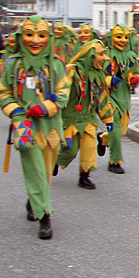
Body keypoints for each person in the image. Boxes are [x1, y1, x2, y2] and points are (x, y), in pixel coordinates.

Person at [0, 17, 70, 239]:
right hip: (25, 126)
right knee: (35, 169)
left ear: (48, 38)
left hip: (51, 128)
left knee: (45, 171)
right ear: (21, 37)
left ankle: (34, 199)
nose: (35, 40)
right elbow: (3, 94)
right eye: (29, 34)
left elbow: (64, 93)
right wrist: (18, 113)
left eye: (41, 35)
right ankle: (44, 215)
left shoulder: (56, 64)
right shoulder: (13, 64)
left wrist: (46, 107)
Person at [55, 39, 114, 190]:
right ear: (90, 55)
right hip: (71, 118)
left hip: (89, 119)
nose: (104, 58)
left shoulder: (98, 74)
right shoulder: (73, 71)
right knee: (70, 150)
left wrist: (108, 119)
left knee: (89, 149)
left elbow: (102, 98)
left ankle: (84, 177)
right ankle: (55, 161)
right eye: (100, 55)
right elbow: (61, 92)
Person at [99, 24, 139, 174]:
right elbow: (97, 77)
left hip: (124, 97)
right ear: (112, 38)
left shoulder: (130, 57)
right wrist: (109, 79)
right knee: (116, 129)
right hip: (109, 97)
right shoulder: (105, 56)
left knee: (121, 131)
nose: (122, 40)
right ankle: (114, 161)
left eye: (125, 37)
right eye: (119, 37)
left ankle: (103, 138)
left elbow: (135, 73)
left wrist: (134, 79)